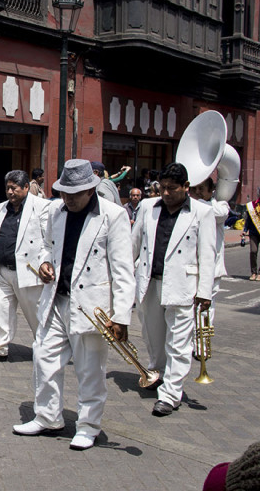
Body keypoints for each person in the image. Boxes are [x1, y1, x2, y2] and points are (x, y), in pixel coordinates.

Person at [13, 159, 134, 451]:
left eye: (74, 194)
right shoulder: (55, 210)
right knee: (44, 357)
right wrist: (43, 262)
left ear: (90, 189)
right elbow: (47, 245)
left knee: (90, 368)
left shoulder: (113, 216)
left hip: (91, 306)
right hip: (56, 297)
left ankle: (89, 425)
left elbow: (123, 269)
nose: (68, 199)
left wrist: (121, 316)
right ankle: (47, 416)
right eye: (64, 192)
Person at [132, 162, 216, 417]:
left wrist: (205, 292)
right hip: (151, 281)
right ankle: (157, 373)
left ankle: (171, 394)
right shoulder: (147, 206)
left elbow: (208, 255)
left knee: (178, 343)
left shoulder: (202, 212)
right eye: (163, 188)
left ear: (186, 187)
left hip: (183, 285)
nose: (166, 193)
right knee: (153, 337)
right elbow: (133, 244)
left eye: (172, 189)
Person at [0, 170, 49, 363]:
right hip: (3, 271)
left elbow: (48, 241)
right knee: (0, 310)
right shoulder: (1, 207)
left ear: (26, 187)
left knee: (36, 314)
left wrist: (45, 262)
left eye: (14, 188)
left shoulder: (42, 207)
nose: (10, 192)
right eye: (7, 188)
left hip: (29, 272)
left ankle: (45, 348)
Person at [190, 177, 228, 321]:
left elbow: (219, 214)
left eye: (201, 188)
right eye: (195, 188)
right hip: (193, 266)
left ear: (211, 190)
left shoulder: (220, 206)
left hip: (212, 268)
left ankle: (204, 343)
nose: (197, 192)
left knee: (206, 309)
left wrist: (196, 201)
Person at [242, 189, 260, 281]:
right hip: (253, 232)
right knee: (253, 251)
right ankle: (253, 272)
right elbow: (248, 219)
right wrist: (245, 230)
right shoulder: (252, 206)